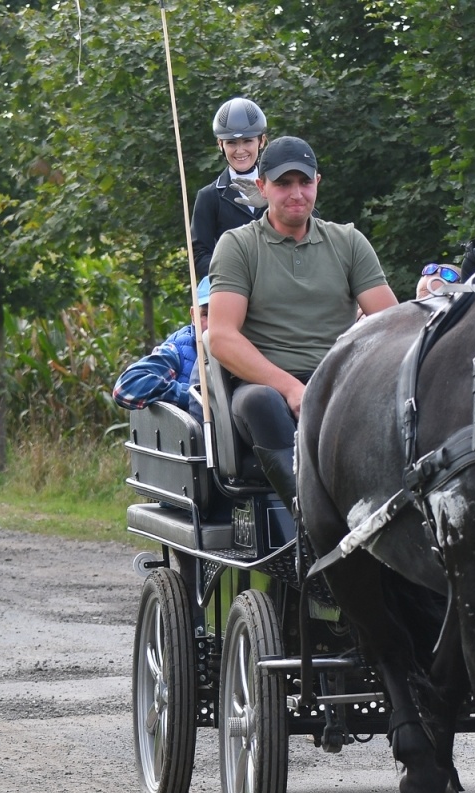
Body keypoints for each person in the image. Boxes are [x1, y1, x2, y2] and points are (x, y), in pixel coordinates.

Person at [208, 135, 397, 503]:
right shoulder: (238, 246)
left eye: (304, 182)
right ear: (262, 186)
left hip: (341, 382)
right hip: (265, 388)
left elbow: (393, 323)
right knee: (261, 402)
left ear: (317, 183)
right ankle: (306, 515)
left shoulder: (349, 242)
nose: (296, 193)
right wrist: (291, 389)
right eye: (283, 184)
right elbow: (221, 337)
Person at [191, 97, 268, 278]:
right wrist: (235, 278)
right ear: (221, 144)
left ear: (261, 141)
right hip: (233, 287)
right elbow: (200, 255)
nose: (240, 150)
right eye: (231, 142)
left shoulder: (280, 187)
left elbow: (309, 223)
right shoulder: (209, 197)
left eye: (248, 141)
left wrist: (271, 201)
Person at [113, 277, 209, 421]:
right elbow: (125, 387)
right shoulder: (177, 351)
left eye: (220, 314)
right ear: (193, 315)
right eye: (205, 314)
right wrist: (191, 395)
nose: (212, 322)